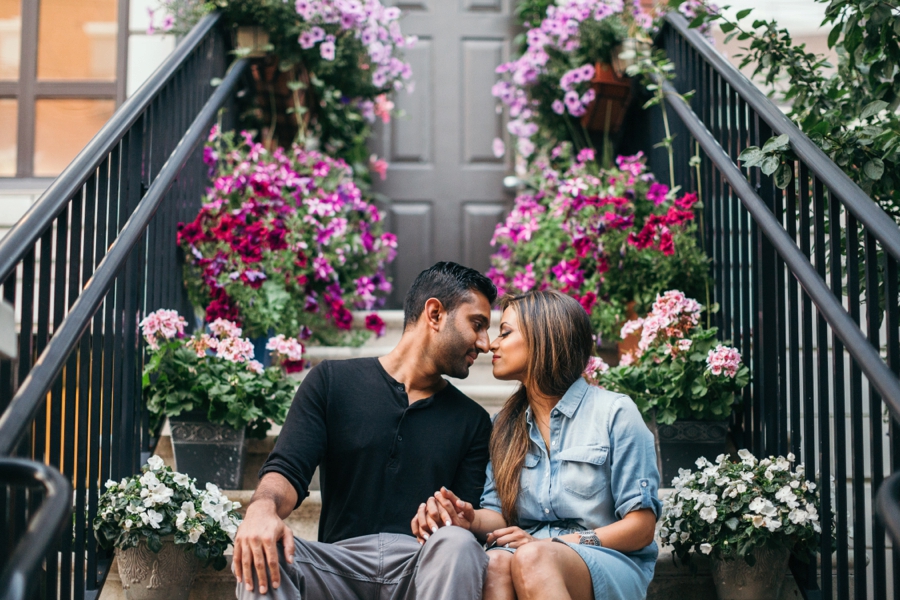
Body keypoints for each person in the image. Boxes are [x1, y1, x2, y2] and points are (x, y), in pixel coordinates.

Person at [233, 262, 496, 600]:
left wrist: (451, 516)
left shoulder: (473, 421)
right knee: (263, 550)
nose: (485, 343)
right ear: (435, 313)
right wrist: (260, 509)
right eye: (477, 324)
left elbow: (465, 522)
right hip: (336, 568)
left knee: (458, 543)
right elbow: (287, 469)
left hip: (421, 569)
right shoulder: (331, 382)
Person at [412, 290, 661, 600]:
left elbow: (640, 528)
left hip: (608, 560)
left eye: (505, 333)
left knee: (533, 558)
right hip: (531, 552)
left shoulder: (614, 414)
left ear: (544, 337)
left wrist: (558, 544)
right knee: (495, 562)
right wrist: (470, 518)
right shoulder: (503, 425)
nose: (491, 344)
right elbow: (500, 514)